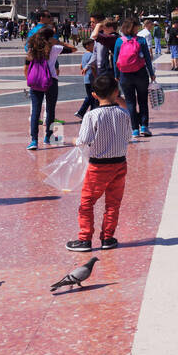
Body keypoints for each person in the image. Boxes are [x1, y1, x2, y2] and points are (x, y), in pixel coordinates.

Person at [67, 73, 132, 252]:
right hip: (120, 164)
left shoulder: (91, 116)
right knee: (113, 203)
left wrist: (72, 140)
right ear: (116, 92)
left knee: (87, 202)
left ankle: (85, 239)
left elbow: (83, 140)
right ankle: (108, 238)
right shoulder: (124, 113)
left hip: (98, 166)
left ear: (94, 95)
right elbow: (128, 137)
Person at [26, 27, 77, 150]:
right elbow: (73, 49)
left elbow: (27, 64)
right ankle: (48, 137)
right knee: (50, 109)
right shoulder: (54, 49)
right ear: (50, 38)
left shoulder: (32, 49)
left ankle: (34, 141)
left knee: (36, 111)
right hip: (51, 80)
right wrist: (59, 42)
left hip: (36, 81)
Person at [113, 18, 156, 139]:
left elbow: (115, 59)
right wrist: (151, 73)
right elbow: (147, 58)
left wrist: (116, 75)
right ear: (133, 27)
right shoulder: (141, 40)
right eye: (137, 26)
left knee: (130, 102)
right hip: (140, 74)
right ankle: (144, 126)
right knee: (142, 101)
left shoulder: (119, 41)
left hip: (125, 75)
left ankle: (135, 129)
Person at [74, 38, 98, 119]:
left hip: (86, 79)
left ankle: (84, 113)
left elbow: (81, 66)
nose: (94, 46)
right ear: (87, 46)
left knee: (90, 97)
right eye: (92, 45)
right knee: (93, 97)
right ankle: (88, 114)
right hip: (92, 79)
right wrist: (96, 77)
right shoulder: (92, 55)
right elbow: (93, 67)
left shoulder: (84, 54)